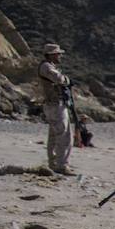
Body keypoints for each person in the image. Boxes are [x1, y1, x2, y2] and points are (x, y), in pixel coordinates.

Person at [37, 43, 76, 175]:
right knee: (64, 136)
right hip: (54, 105)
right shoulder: (46, 67)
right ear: (52, 54)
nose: (60, 56)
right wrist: (67, 80)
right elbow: (59, 79)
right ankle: (61, 165)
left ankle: (54, 163)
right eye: (58, 54)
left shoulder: (48, 66)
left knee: (54, 136)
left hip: (54, 104)